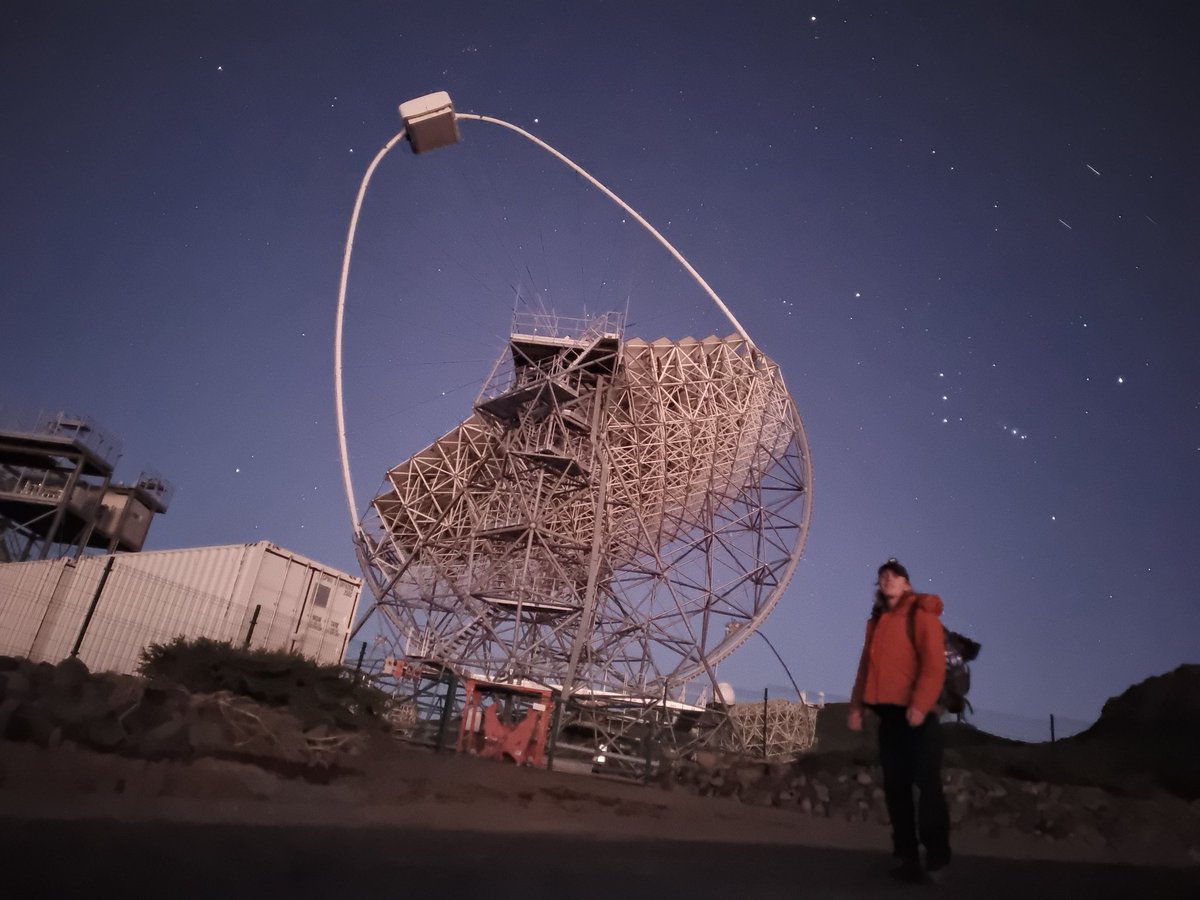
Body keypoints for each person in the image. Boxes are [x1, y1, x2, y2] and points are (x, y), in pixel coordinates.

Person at [848, 558, 951, 883]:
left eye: (894, 576)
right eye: (882, 576)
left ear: (906, 583)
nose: (887, 580)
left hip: (919, 715)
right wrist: (856, 706)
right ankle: (907, 858)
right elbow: (866, 666)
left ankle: (936, 857)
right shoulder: (876, 621)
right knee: (897, 790)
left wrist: (921, 704)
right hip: (888, 715)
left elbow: (934, 665)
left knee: (927, 785)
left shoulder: (922, 613)